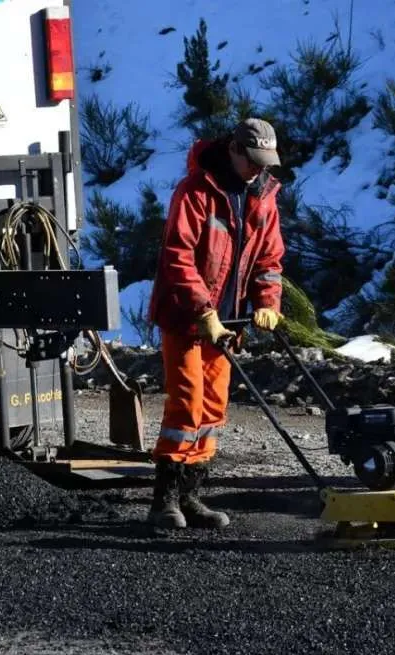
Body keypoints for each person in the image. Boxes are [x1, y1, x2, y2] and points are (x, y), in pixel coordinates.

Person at [145, 118, 285, 530]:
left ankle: (191, 495)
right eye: (253, 160)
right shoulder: (195, 191)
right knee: (186, 405)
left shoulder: (264, 196)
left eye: (265, 162)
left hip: (228, 322)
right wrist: (204, 312)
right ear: (233, 150)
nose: (258, 169)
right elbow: (178, 257)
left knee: (212, 408)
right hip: (187, 317)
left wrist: (267, 302)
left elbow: (269, 259)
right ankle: (164, 500)